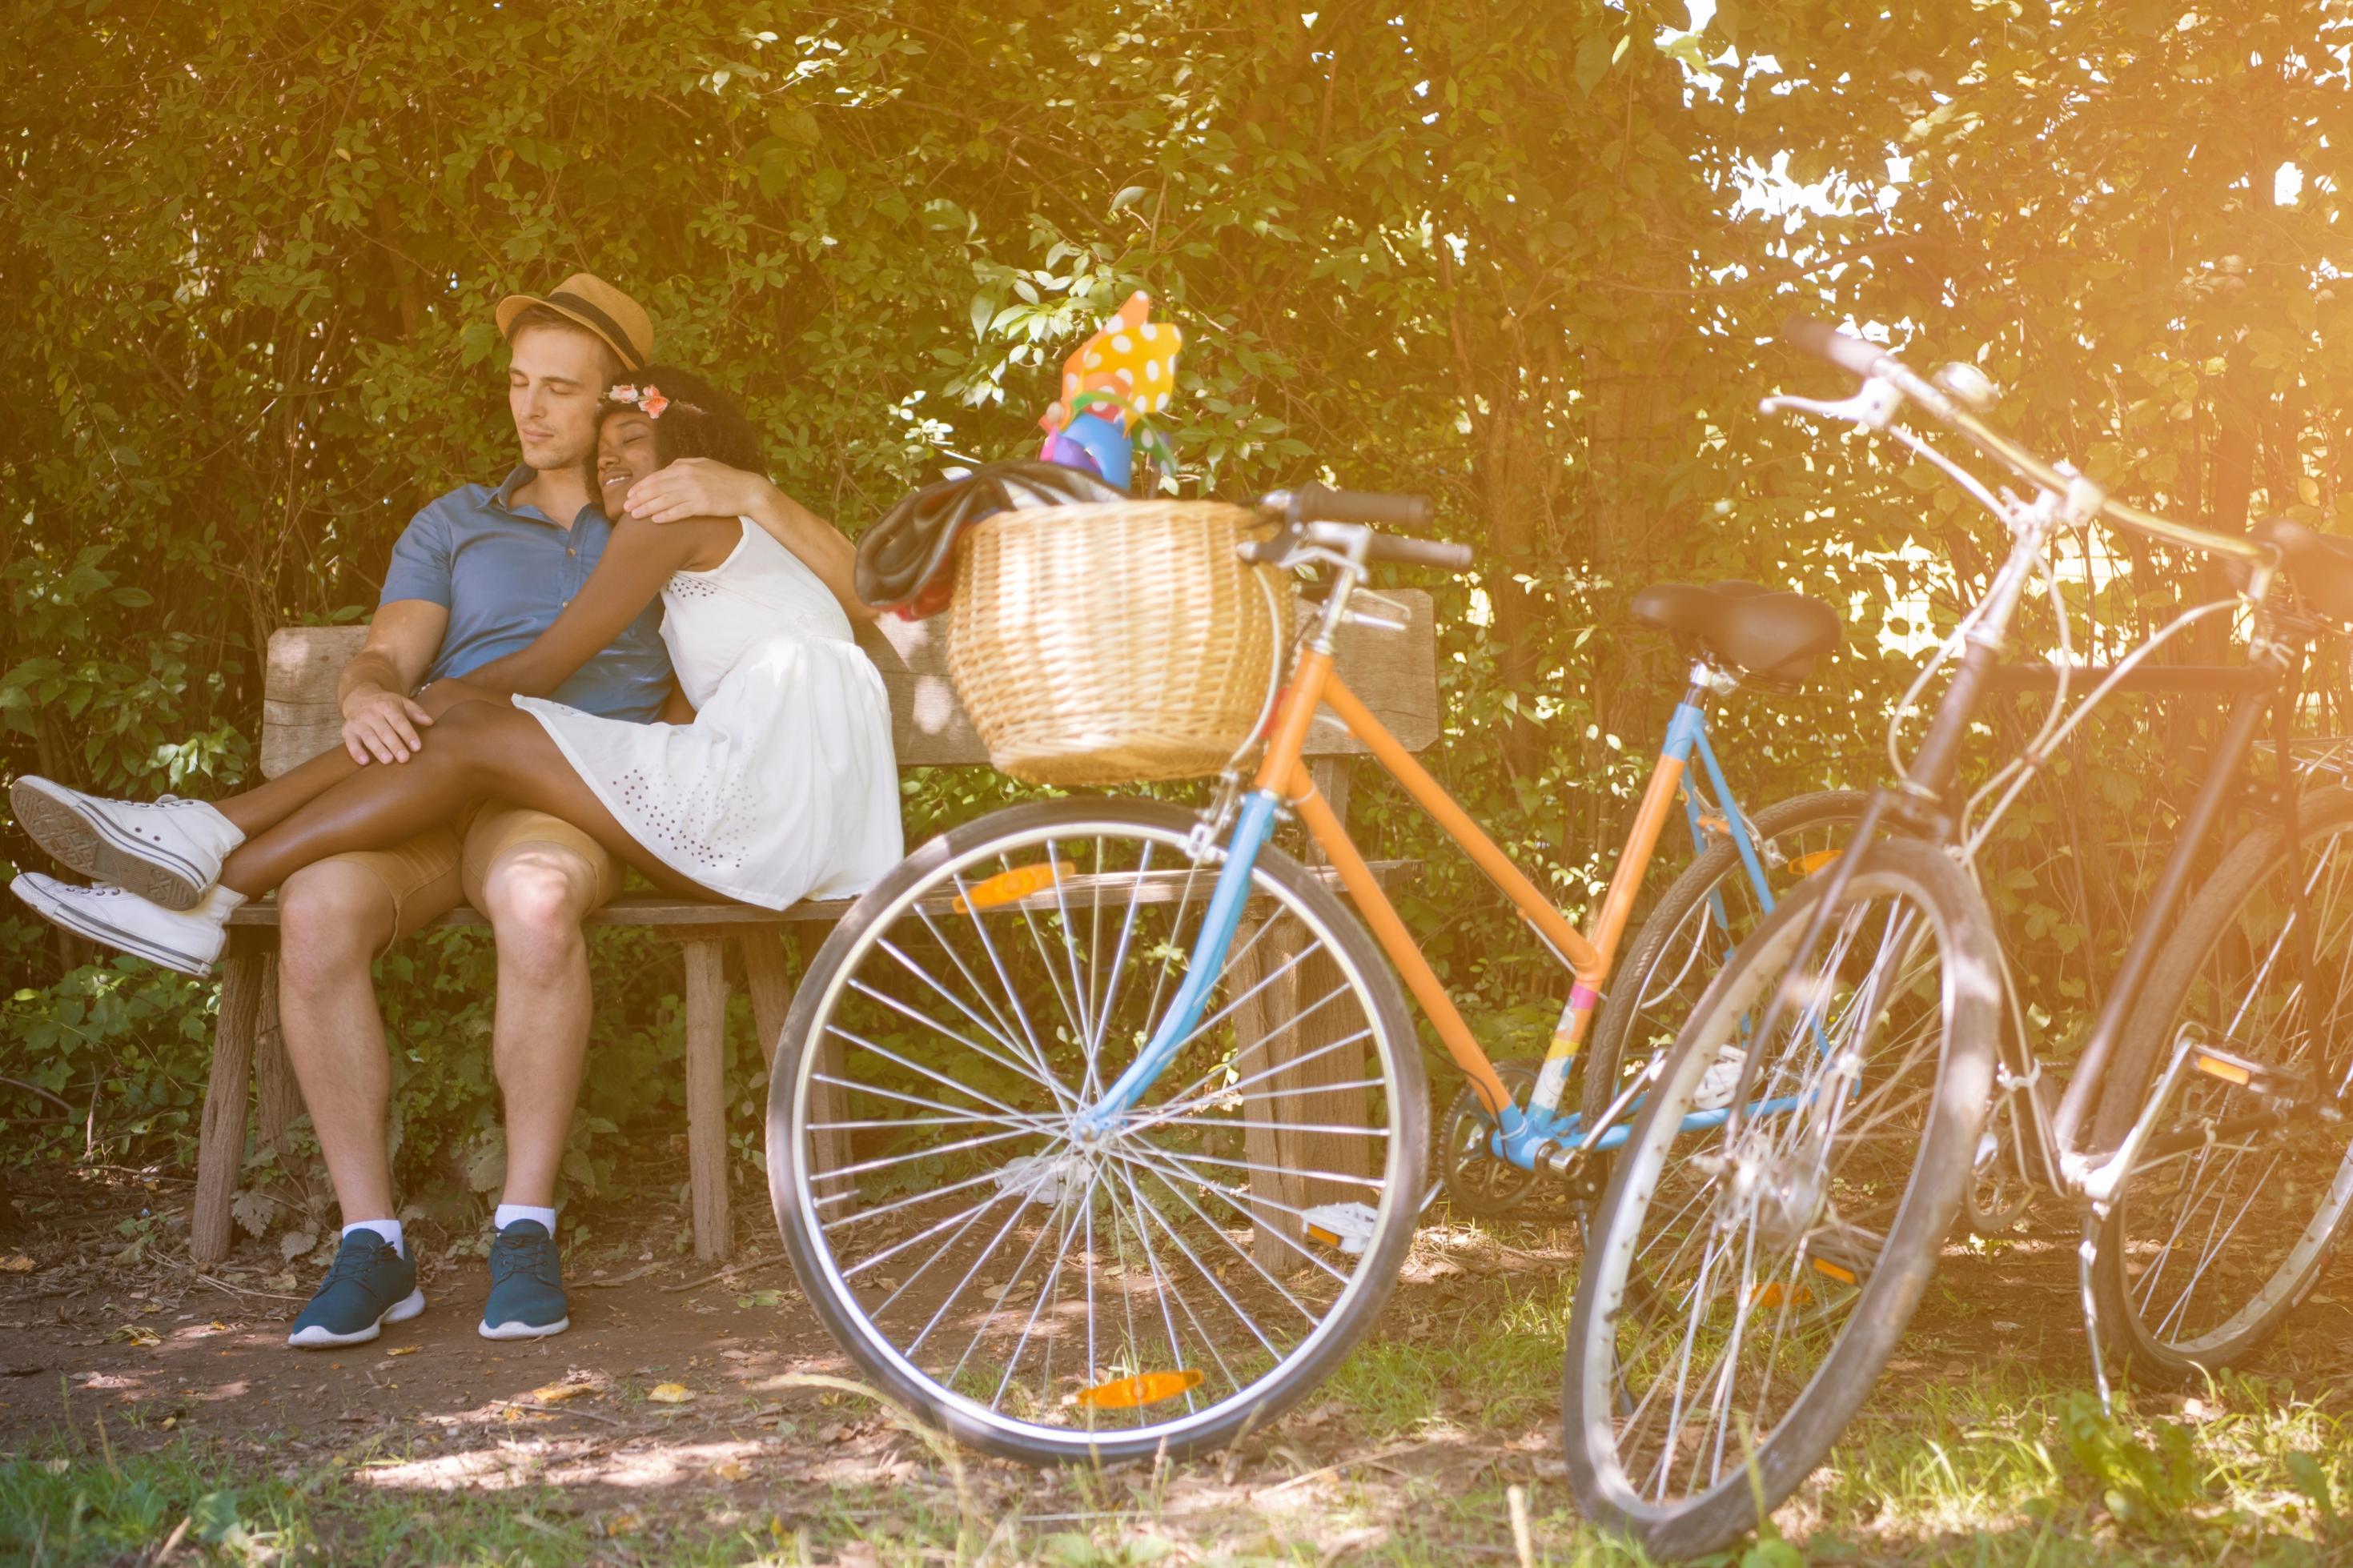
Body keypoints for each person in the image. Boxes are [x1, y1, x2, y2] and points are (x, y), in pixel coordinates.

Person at [8, 278, 880, 1350]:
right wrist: (373, 692)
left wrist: (747, 489)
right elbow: (389, 651)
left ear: (632, 400)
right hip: (418, 786)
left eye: (565, 390)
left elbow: (780, 624)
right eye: (521, 385)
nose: (535, 411)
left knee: (535, 894)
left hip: (560, 797)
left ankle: (522, 1227)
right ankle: (371, 1244)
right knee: (320, 912)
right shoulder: (456, 521)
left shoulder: (658, 514)